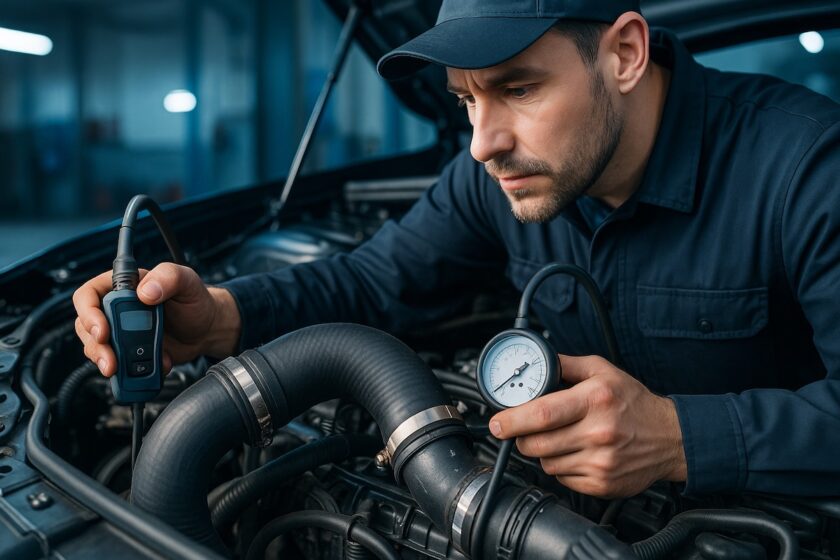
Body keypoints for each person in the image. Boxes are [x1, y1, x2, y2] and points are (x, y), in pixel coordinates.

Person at [73, 0, 840, 499]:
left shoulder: (806, 168)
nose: (482, 144)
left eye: (518, 88)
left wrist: (679, 438)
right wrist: (220, 318)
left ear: (626, 54)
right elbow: (377, 281)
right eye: (467, 100)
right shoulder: (502, 179)